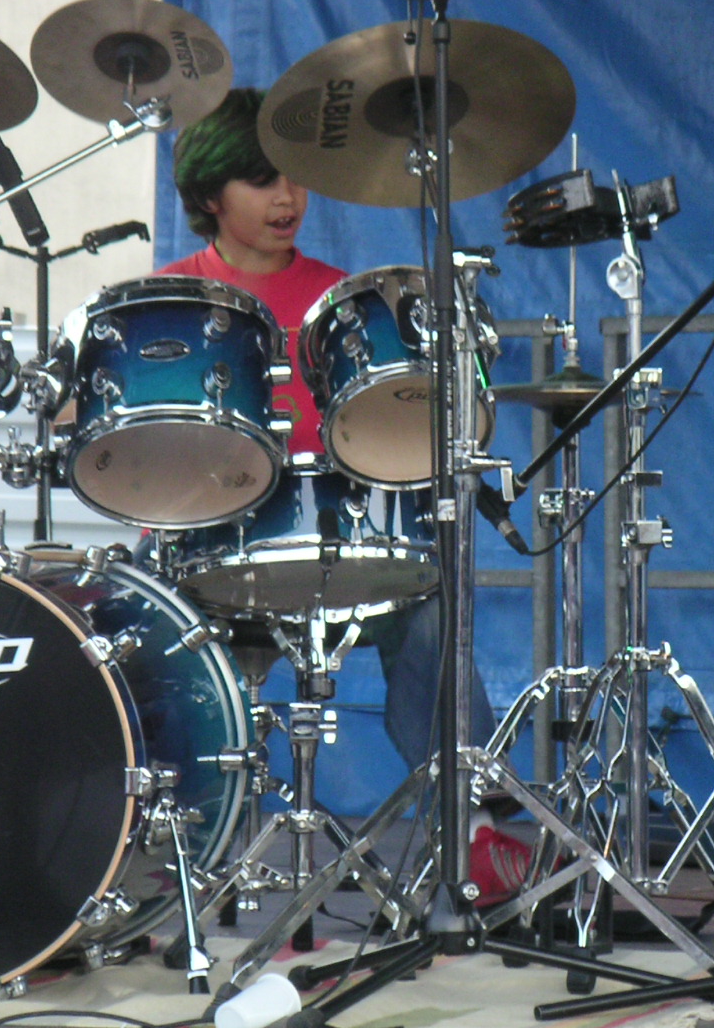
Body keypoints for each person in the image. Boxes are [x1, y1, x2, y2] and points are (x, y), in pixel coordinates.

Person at [160, 87, 495, 775]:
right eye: (262, 181)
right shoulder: (167, 299)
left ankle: (470, 810)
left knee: (432, 607)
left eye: (296, 178)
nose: (288, 198)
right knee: (131, 617)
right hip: (205, 543)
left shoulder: (348, 298)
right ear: (211, 195)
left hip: (342, 541)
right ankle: (170, 818)